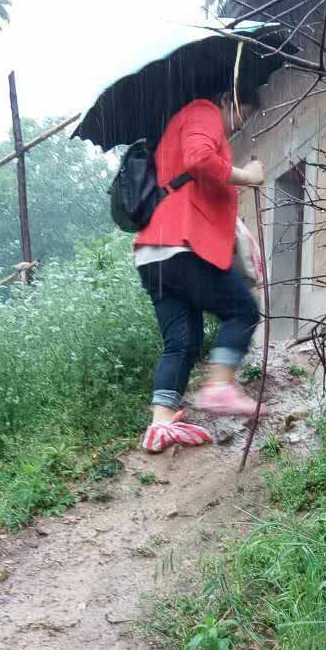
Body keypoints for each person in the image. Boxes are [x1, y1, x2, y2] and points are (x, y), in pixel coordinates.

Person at [133, 85, 267, 454]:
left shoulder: (181, 125)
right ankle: (220, 387)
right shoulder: (202, 111)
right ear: (226, 98)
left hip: (154, 255)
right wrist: (248, 175)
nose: (238, 125)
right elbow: (199, 159)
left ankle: (161, 423)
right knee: (243, 310)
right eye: (241, 113)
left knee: (183, 342)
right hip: (181, 246)